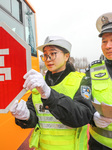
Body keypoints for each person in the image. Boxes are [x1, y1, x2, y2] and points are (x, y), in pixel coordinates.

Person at [37, 13, 112, 150]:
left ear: (66, 56)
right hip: (100, 145)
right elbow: (84, 102)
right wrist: (93, 118)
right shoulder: (92, 71)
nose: (108, 46)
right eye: (104, 41)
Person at [10, 36, 95, 150]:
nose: (48, 58)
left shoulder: (82, 80)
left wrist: (49, 95)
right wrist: (26, 116)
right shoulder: (39, 82)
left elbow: (83, 116)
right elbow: (35, 118)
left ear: (66, 56)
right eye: (45, 55)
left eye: (53, 53)